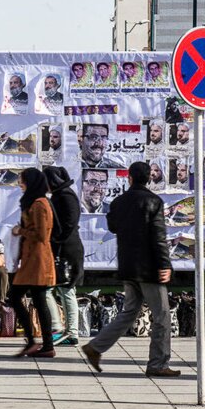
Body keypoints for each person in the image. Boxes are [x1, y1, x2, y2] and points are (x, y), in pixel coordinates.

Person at [82, 162, 179, 377]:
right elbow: (159, 237)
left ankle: (96, 347)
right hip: (149, 269)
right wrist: (165, 264)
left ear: (130, 178)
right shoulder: (154, 201)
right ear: (149, 179)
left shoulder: (118, 202)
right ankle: (158, 364)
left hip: (128, 266)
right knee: (162, 316)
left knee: (128, 313)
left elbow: (113, 227)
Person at [10, 168, 56, 358]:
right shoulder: (35, 203)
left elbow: (42, 235)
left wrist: (20, 231)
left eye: (22, 181)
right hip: (31, 260)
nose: (20, 184)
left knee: (16, 297)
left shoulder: (39, 205)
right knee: (38, 301)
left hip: (38, 261)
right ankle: (44, 344)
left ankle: (36, 342)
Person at [44, 166, 84, 346]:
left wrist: (54, 239)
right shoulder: (60, 196)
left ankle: (67, 331)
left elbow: (68, 224)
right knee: (59, 290)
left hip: (67, 250)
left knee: (66, 289)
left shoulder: (65, 197)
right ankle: (65, 330)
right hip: (61, 248)